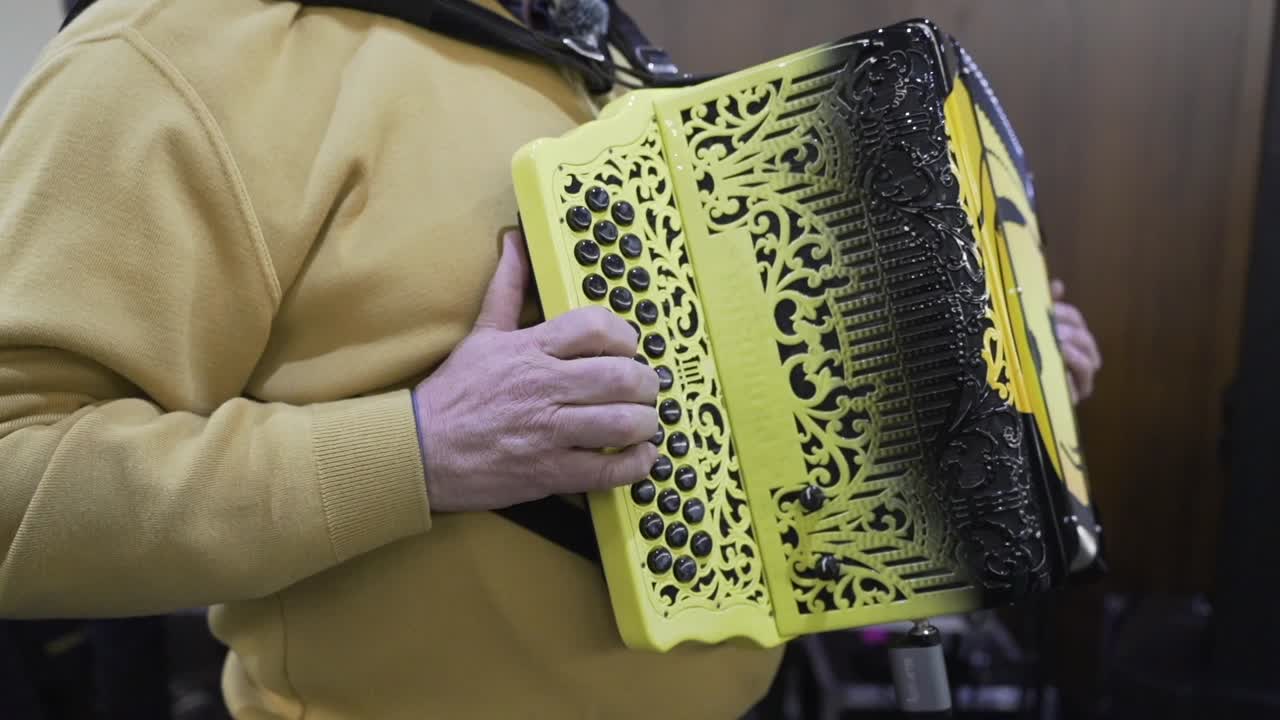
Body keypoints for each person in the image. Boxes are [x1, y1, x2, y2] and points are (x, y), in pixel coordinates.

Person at [0, 1, 1101, 718]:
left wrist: (985, 370)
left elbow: (739, 419)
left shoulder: (599, 59)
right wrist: (421, 450)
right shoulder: (173, 52)